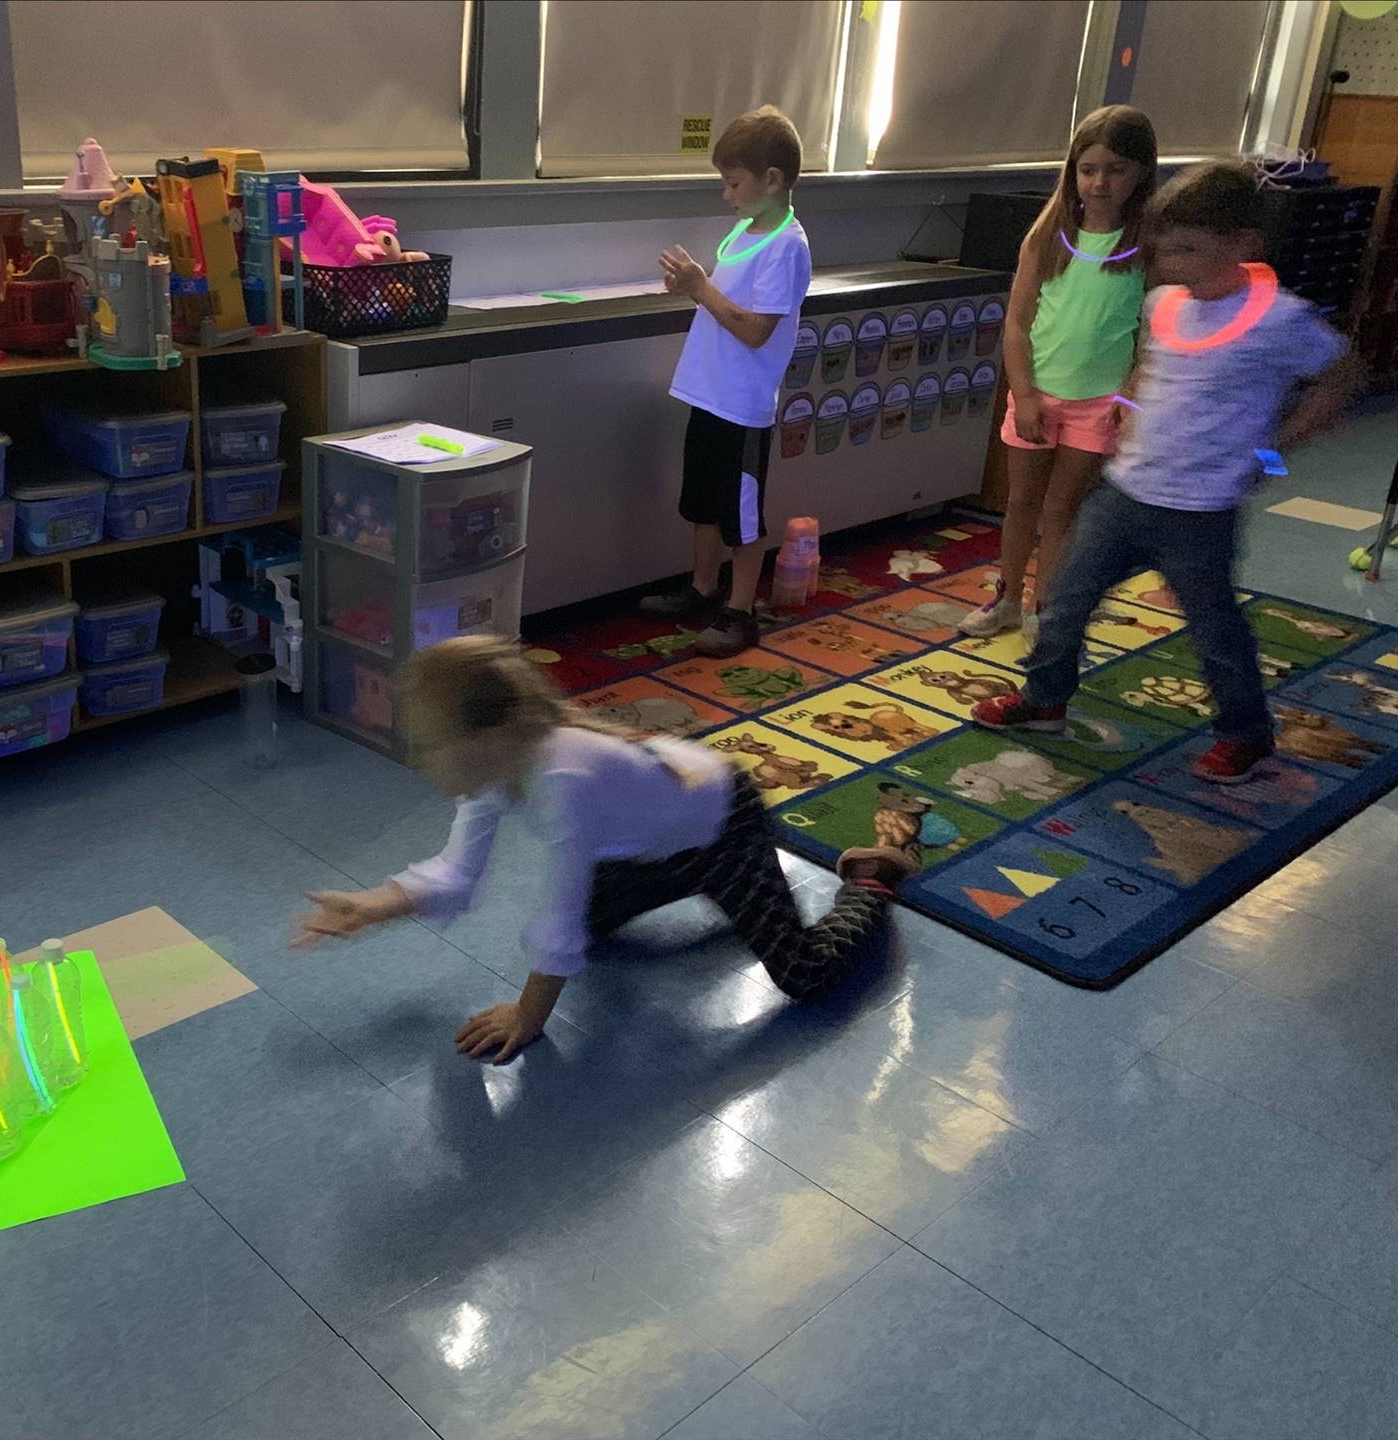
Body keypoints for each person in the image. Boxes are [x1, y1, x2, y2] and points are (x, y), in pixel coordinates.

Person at [290, 638, 914, 1063]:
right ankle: (731, 897)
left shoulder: (562, 779)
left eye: (432, 744)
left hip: (725, 826)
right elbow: (457, 872)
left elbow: (556, 920)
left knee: (803, 975)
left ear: (488, 735)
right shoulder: (497, 767)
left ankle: (871, 879)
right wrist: (373, 906)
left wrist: (528, 1017)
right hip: (654, 839)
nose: (421, 760)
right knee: (592, 928)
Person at [974, 160, 1357, 784]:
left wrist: (1273, 451)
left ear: (1243, 247)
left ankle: (1247, 734)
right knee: (1066, 601)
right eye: (1164, 247)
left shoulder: (1278, 319)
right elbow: (1148, 367)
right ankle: (1043, 700)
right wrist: (1128, 408)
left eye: (1188, 249)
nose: (1169, 260)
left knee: (1213, 629)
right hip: (1125, 493)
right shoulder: (1162, 304)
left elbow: (1341, 374)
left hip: (1200, 511)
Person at [959, 105, 1157, 638]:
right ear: (1072, 172)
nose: (1099, 182)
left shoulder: (1145, 249)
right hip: (1037, 397)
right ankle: (1006, 598)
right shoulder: (1046, 239)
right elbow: (1017, 324)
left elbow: (1152, 336)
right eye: (1087, 169)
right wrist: (1023, 395)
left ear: (1140, 172)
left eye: (1115, 169)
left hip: (1099, 404)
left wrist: (1129, 397)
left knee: (1062, 508)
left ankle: (1046, 607)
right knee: (1020, 501)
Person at [640, 106, 813, 658]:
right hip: (708, 392)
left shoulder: (788, 246)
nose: (726, 194)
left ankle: (740, 610)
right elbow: (726, 303)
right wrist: (691, 286)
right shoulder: (744, 231)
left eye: (733, 182)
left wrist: (699, 289)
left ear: (772, 180)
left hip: (742, 404)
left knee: (740, 514)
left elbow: (756, 329)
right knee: (703, 502)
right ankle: (701, 586)